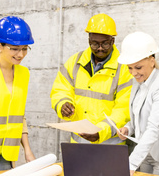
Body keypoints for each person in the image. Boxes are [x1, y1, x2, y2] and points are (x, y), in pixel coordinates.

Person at [50, 14, 132, 144]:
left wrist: (101, 131)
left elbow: (124, 108)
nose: (99, 48)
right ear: (89, 40)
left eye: (104, 43)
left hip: (109, 145)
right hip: (79, 143)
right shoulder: (75, 62)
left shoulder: (124, 68)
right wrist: (63, 103)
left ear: (112, 41)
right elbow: (60, 89)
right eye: (95, 44)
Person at [116, 32, 159, 176]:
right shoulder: (139, 81)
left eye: (138, 67)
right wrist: (128, 128)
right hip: (146, 154)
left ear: (152, 61)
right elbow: (139, 115)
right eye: (130, 68)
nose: (133, 73)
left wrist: (131, 164)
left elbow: (153, 127)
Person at [0, 16, 36, 175]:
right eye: (15, 49)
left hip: (6, 154)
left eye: (24, 48)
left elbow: (19, 115)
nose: (21, 54)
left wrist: (28, 151)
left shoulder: (23, 73)